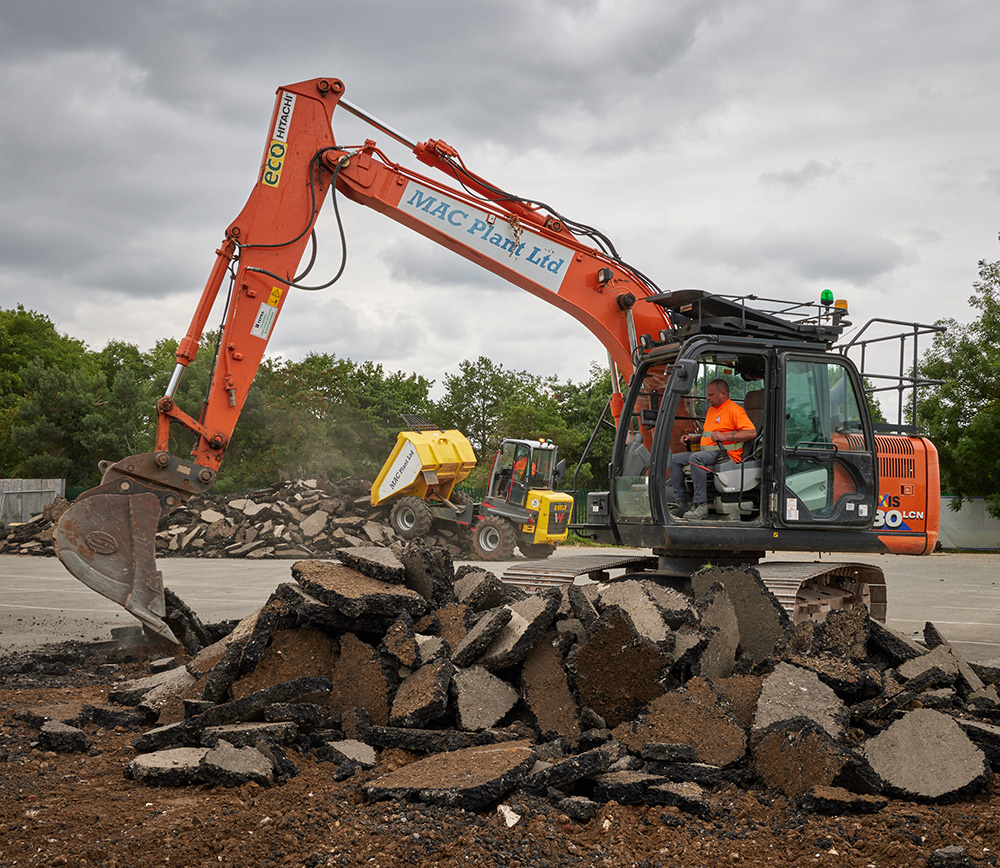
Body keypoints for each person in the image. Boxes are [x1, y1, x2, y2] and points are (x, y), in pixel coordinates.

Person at [670, 379, 756, 520]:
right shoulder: (711, 410)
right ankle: (681, 502)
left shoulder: (734, 410)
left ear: (723, 394)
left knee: (696, 458)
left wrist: (725, 436)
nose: (707, 398)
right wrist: (694, 438)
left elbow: (751, 433)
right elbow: (709, 435)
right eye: (707, 395)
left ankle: (700, 505)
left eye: (711, 395)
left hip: (726, 455)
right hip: (708, 453)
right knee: (675, 460)